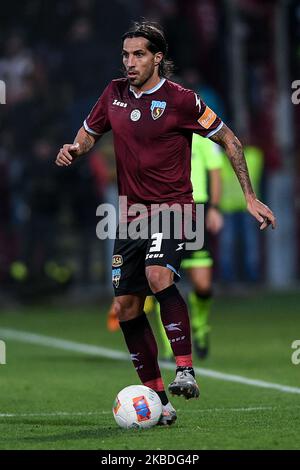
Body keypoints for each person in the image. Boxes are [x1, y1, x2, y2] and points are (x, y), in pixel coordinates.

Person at [55, 21, 276, 426]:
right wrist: (75, 148)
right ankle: (159, 402)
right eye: (125, 54)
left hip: (175, 209)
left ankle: (186, 369)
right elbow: (89, 133)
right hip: (131, 216)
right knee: (125, 307)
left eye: (139, 54)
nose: (130, 62)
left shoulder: (181, 100)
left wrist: (248, 196)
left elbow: (231, 140)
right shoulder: (113, 93)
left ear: (158, 57)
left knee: (159, 276)